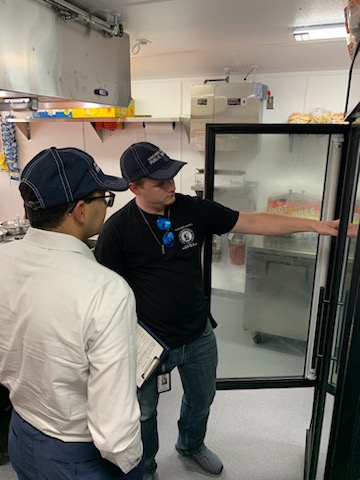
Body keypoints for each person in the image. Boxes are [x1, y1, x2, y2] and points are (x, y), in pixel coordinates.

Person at [94, 141, 344, 480]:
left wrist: (319, 226)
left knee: (202, 399)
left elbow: (252, 221)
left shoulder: (192, 210)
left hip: (197, 333)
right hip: (148, 344)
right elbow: (107, 293)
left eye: (172, 177)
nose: (171, 186)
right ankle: (147, 467)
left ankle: (191, 445)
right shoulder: (117, 229)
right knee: (145, 413)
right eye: (160, 182)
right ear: (134, 187)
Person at [0, 147, 144, 480]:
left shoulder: (4, 259)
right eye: (104, 198)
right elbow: (113, 426)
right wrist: (133, 462)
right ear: (80, 210)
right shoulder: (106, 290)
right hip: (79, 455)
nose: (108, 206)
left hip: (21, 432)